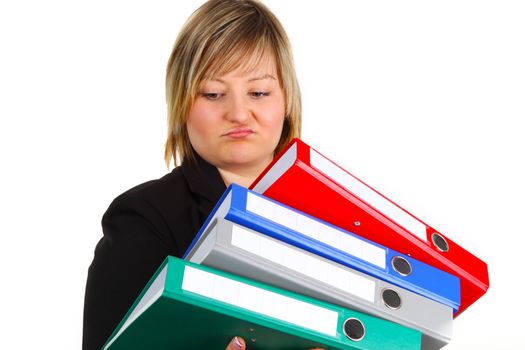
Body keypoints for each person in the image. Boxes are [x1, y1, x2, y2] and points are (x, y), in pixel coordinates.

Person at [83, 0, 312, 349]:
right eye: (213, 94)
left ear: (287, 102)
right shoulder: (143, 220)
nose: (238, 113)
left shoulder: (333, 215)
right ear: (181, 104)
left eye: (259, 92)